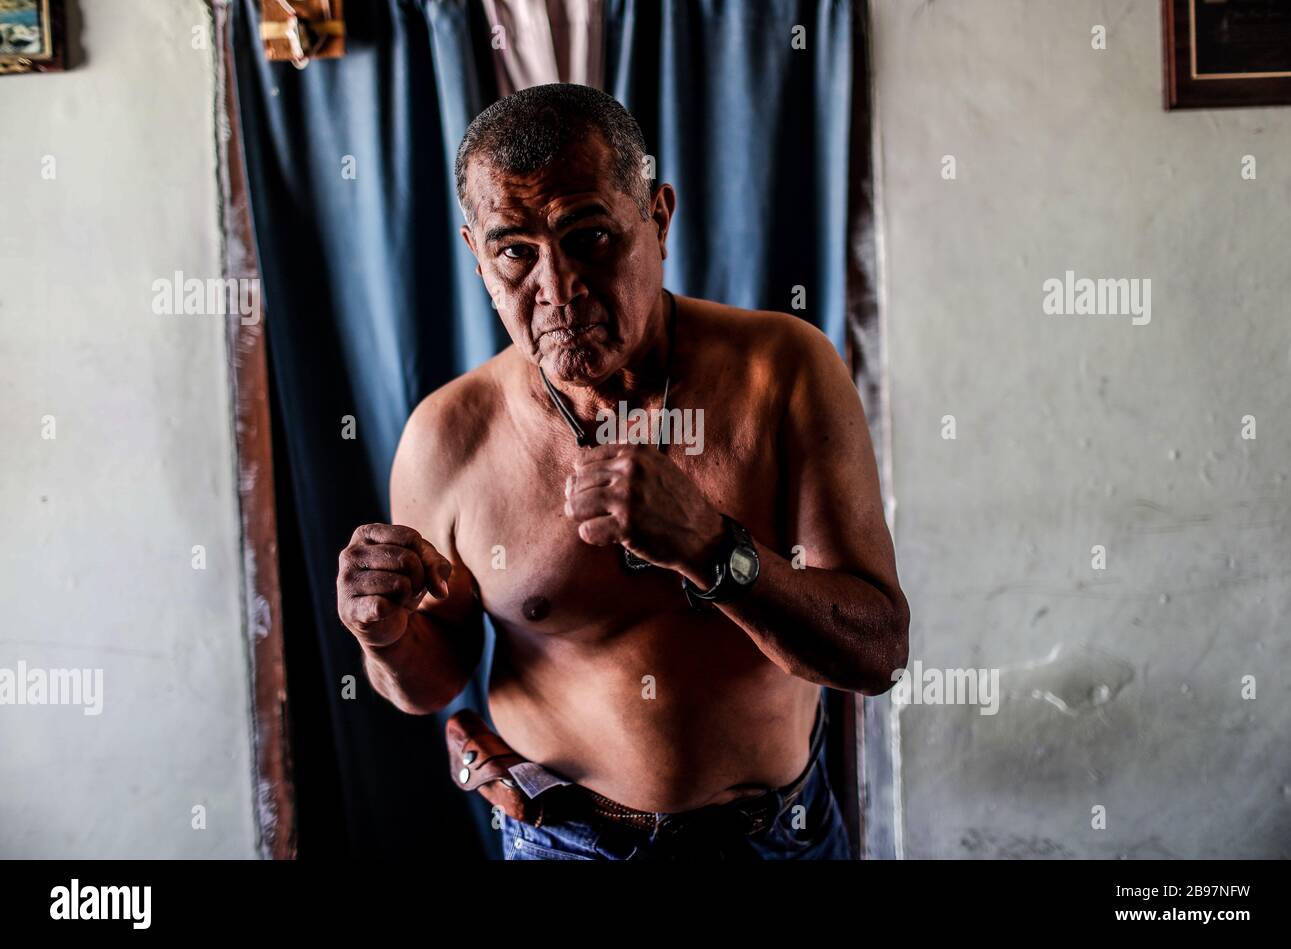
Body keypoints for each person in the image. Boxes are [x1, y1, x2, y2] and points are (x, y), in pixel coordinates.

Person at [335, 83, 908, 860]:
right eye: (515, 252)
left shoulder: (784, 372)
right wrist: (383, 635)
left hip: (773, 838)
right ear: (476, 255)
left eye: (590, 237)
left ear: (658, 218)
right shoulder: (447, 437)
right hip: (559, 843)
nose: (559, 291)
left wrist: (713, 549)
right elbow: (432, 681)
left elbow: (876, 650)